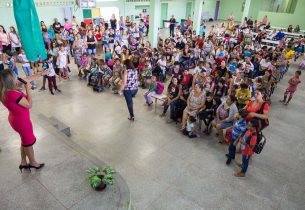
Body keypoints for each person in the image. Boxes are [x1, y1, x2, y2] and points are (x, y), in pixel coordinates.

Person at [0, 70, 47, 172]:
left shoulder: (4, 90)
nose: (17, 78)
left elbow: (26, 79)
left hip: (15, 119)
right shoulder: (12, 94)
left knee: (24, 141)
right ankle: (33, 163)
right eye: (14, 77)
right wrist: (28, 90)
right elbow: (29, 105)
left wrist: (41, 73)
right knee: (28, 143)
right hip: (22, 122)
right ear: (10, 81)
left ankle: (23, 162)